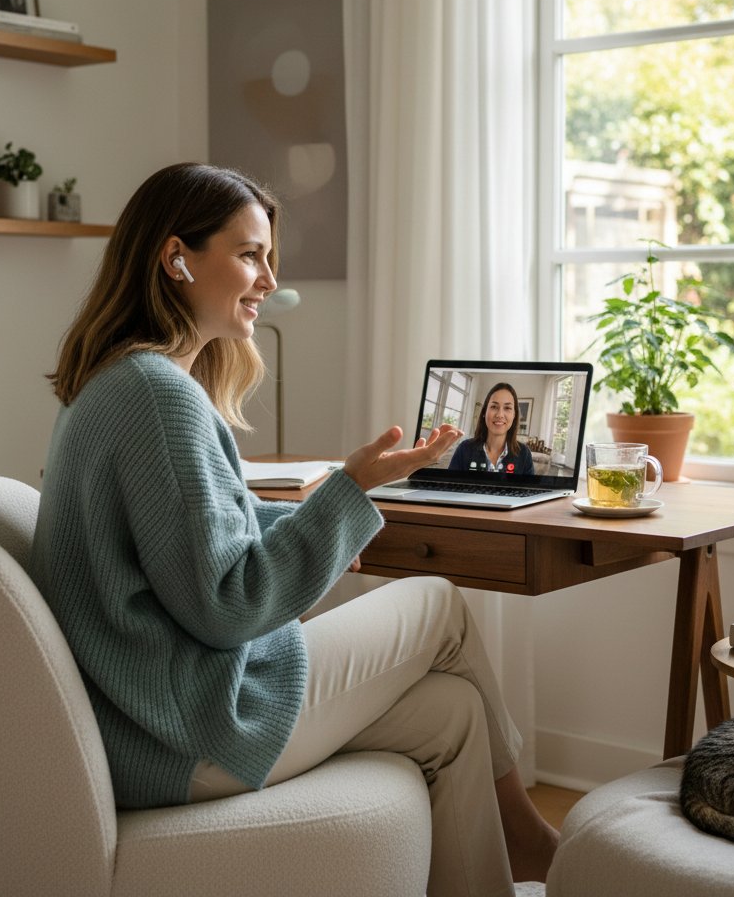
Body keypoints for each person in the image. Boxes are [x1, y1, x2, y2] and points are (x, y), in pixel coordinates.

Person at [29, 162, 558, 896]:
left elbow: (196, 546)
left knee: (454, 713)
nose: (268, 280)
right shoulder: (158, 396)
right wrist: (352, 490)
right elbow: (229, 605)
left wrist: (344, 495)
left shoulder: (119, 381)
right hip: (188, 726)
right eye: (250, 254)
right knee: (439, 604)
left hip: (149, 722)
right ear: (175, 257)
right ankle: (534, 844)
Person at [447, 382, 536, 475]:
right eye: (494, 407)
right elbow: (449, 487)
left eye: (507, 408)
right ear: (484, 412)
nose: (500, 415)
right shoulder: (464, 449)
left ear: (514, 415)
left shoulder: (525, 454)